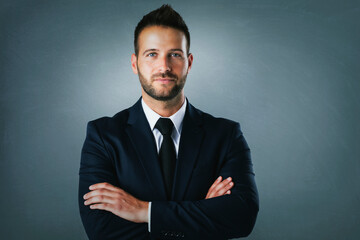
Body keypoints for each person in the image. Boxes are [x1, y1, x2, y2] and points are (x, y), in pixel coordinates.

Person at [78, 4, 258, 240]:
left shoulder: (226, 135)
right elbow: (101, 230)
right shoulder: (102, 135)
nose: (164, 67)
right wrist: (202, 214)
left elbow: (242, 218)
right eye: (152, 54)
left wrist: (144, 211)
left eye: (174, 54)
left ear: (189, 62)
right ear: (135, 64)